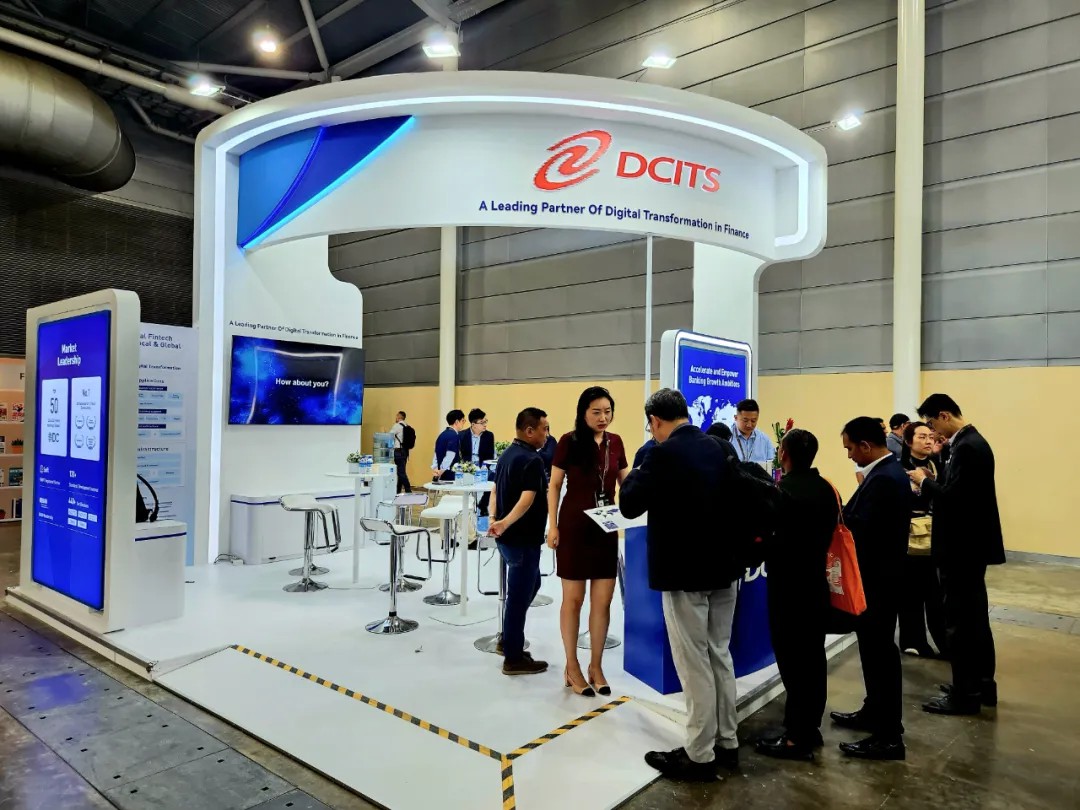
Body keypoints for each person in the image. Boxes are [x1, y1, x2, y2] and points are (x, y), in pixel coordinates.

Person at [620, 388, 741, 781]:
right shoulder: (720, 447)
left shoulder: (660, 454)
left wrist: (641, 464)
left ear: (655, 421)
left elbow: (629, 504)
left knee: (693, 663)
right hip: (725, 568)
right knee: (719, 654)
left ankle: (699, 754)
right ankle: (727, 741)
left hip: (684, 573)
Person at [911, 394, 1005, 715]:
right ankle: (981, 684)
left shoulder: (967, 446)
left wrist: (925, 482)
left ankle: (965, 694)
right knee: (975, 619)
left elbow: (954, 499)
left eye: (932, 423)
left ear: (944, 415)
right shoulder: (969, 444)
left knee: (960, 623)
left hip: (961, 548)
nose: (932, 432)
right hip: (970, 547)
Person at [831, 417, 912, 761]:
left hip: (878, 581)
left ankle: (888, 735)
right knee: (872, 650)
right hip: (877, 581)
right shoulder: (884, 473)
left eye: (850, 448)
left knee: (881, 656)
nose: (849, 455)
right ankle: (874, 711)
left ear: (865, 445)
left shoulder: (885, 479)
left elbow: (862, 529)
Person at [756, 429, 839, 762]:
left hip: (787, 589)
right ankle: (809, 727)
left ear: (784, 454)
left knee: (793, 664)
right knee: (813, 660)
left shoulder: (781, 492)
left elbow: (767, 539)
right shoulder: (826, 489)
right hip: (816, 585)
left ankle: (796, 738)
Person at [547, 387, 628, 699]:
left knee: (603, 601)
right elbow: (554, 485)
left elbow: (626, 482)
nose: (603, 417)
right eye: (596, 412)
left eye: (607, 411)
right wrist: (552, 525)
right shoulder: (568, 442)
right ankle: (572, 665)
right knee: (574, 599)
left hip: (606, 529)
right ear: (583, 413)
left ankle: (596, 666)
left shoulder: (616, 442)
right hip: (574, 527)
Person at [489, 407, 551, 676]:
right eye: (544, 429)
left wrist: (495, 518)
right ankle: (513, 658)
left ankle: (509, 639)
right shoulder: (532, 460)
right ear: (529, 431)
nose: (547, 434)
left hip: (509, 539)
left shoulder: (507, 455)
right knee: (518, 597)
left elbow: (494, 490)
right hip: (522, 540)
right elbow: (527, 499)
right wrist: (503, 522)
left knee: (531, 585)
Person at [898, 421, 948, 659]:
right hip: (911, 536)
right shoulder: (900, 468)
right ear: (909, 442)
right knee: (911, 592)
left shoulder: (936, 464)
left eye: (930, 436)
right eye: (921, 437)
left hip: (936, 535)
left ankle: (944, 642)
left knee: (935, 593)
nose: (928, 441)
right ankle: (913, 641)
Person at [459, 408, 495, 514]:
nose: (485, 425)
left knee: (494, 478)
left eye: (485, 421)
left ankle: (483, 504)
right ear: (473, 424)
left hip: (483, 467)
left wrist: (484, 467)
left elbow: (490, 456)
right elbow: (460, 455)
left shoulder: (489, 436)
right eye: (482, 422)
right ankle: (468, 507)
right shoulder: (462, 435)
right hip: (467, 468)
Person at [730, 399, 775, 465]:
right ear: (736, 418)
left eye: (753, 421)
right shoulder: (728, 438)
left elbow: (772, 464)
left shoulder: (765, 440)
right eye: (745, 420)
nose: (749, 425)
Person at [432, 409, 466, 482]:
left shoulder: (441, 435)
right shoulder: (454, 436)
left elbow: (435, 453)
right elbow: (450, 456)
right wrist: (441, 470)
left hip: (440, 474)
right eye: (463, 421)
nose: (464, 423)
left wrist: (435, 469)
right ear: (457, 422)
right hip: (450, 475)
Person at [389, 411, 413, 493]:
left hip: (398, 451)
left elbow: (389, 436)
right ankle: (398, 491)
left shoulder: (397, 426)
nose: (396, 417)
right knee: (401, 471)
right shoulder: (407, 426)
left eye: (396, 416)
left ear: (399, 416)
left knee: (401, 472)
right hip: (405, 451)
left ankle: (408, 490)